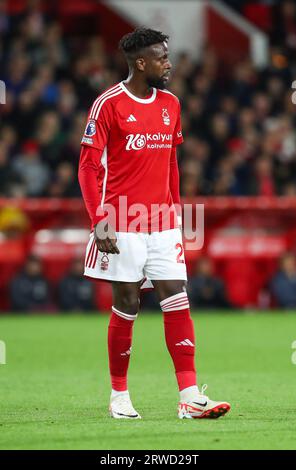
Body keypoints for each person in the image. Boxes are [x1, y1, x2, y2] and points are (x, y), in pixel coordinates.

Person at [78, 28, 230, 420]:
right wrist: (99, 219)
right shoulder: (108, 104)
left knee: (176, 296)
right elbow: (89, 166)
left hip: (162, 223)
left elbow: (171, 163)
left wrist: (176, 214)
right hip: (120, 219)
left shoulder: (171, 104)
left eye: (168, 55)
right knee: (128, 303)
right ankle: (119, 395)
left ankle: (190, 396)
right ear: (140, 62)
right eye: (162, 57)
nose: (169, 63)